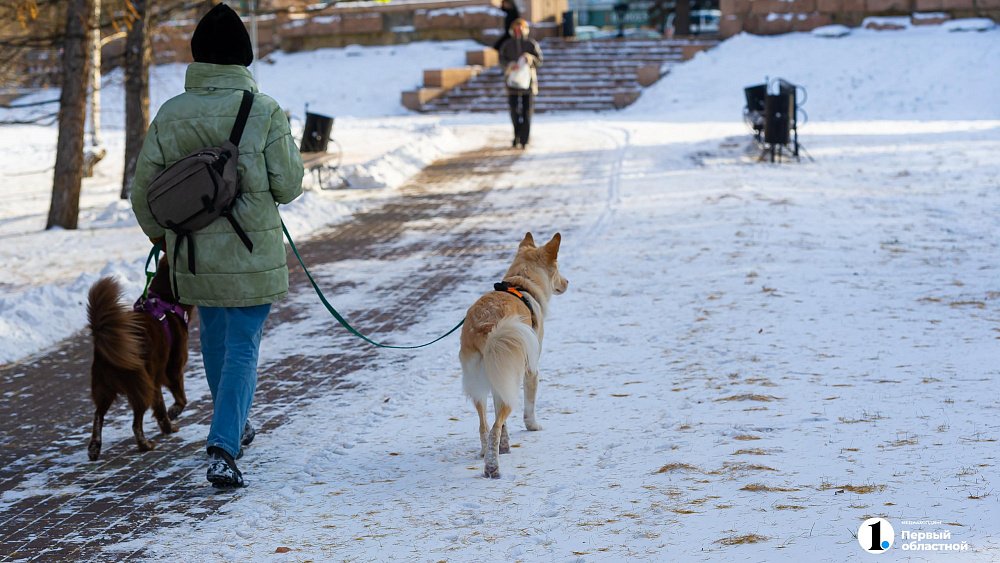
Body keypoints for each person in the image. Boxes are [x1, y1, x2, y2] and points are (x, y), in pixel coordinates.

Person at [130, 3, 304, 488]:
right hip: (252, 253)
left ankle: (235, 422)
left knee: (217, 340)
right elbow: (288, 186)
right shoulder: (265, 110)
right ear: (244, 58)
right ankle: (223, 446)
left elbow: (143, 191)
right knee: (243, 346)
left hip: (193, 253)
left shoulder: (171, 113)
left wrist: (162, 239)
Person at [498, 18, 542, 149]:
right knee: (514, 111)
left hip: (528, 84)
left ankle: (525, 139)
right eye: (516, 28)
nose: (518, 31)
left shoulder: (531, 44)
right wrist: (510, 65)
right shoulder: (507, 45)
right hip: (512, 84)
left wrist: (530, 59)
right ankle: (516, 136)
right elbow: (501, 60)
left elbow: (539, 60)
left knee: (527, 112)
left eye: (521, 28)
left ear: (525, 29)